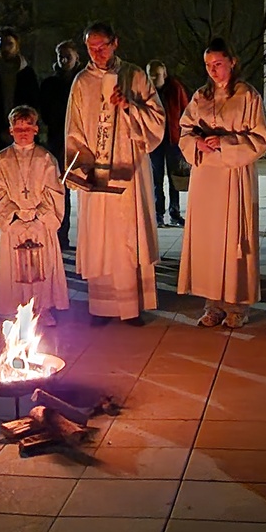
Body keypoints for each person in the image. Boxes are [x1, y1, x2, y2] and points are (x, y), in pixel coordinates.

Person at [65, 21, 165, 325]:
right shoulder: (82, 82)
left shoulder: (134, 75)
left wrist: (130, 105)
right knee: (102, 237)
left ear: (115, 43)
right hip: (97, 170)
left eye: (102, 46)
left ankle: (132, 305)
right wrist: (83, 167)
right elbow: (74, 130)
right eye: (91, 47)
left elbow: (157, 121)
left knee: (127, 234)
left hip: (130, 166)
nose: (97, 53)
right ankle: (103, 306)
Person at [177, 38, 266, 328]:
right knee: (209, 238)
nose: (213, 70)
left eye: (218, 64)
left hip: (233, 174)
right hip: (206, 176)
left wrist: (227, 142)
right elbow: (184, 129)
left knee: (234, 235)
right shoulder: (201, 97)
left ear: (232, 61)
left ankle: (237, 304)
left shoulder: (247, 96)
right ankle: (212, 302)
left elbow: (260, 138)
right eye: (208, 65)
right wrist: (197, 142)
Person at [0, 106, 69, 327]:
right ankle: (17, 310)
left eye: (27, 127)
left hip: (40, 223)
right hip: (14, 226)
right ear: (10, 130)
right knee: (16, 270)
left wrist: (39, 214)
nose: (23, 132)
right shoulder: (1, 160)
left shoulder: (46, 159)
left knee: (42, 268)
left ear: (35, 129)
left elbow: (55, 190)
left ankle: (43, 309)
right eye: (18, 127)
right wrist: (13, 216)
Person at [0, 27, 41, 250]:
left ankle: (25, 230)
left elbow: (34, 104)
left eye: (9, 44)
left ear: (17, 46)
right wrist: (0, 130)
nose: (5, 48)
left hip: (22, 138)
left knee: (24, 186)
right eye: (1, 44)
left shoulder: (27, 75)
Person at [39, 40, 81, 250]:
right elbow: (44, 112)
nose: (64, 60)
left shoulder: (83, 82)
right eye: (60, 56)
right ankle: (61, 236)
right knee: (60, 189)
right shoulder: (49, 85)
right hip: (57, 140)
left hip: (82, 141)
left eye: (68, 56)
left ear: (76, 58)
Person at [146, 59, 191, 227]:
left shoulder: (175, 88)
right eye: (150, 75)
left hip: (173, 139)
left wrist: (185, 136)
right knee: (156, 179)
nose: (153, 78)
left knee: (175, 179)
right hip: (155, 141)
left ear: (164, 74)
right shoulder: (146, 90)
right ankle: (158, 214)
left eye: (156, 75)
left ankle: (174, 212)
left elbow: (186, 111)